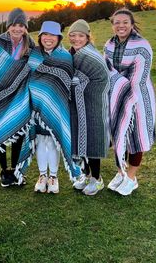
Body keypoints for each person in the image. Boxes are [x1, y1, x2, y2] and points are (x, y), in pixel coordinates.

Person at [16, 21, 80, 193]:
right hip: (35, 107)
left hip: (56, 107)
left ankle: (54, 177)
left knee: (52, 141)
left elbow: (66, 84)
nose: (48, 38)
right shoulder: (34, 54)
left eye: (52, 35)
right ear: (40, 37)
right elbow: (27, 77)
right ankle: (42, 175)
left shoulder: (65, 57)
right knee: (39, 141)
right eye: (45, 35)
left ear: (58, 38)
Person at [104, 8, 156, 196]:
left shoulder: (142, 46)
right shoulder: (109, 45)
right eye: (117, 22)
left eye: (125, 22)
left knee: (136, 137)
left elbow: (139, 76)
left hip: (139, 96)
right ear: (112, 25)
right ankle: (121, 172)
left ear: (132, 24)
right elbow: (107, 69)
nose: (121, 25)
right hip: (117, 96)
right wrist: (116, 85)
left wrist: (118, 83)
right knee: (119, 134)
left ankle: (131, 178)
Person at [0, 8, 35, 187]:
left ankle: (14, 169)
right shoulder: (0, 41)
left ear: (25, 27)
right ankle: (4, 171)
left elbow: (33, 67)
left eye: (21, 25)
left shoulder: (30, 43)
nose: (17, 29)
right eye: (14, 25)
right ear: (9, 26)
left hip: (20, 95)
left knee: (17, 131)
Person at [68, 19, 110, 196]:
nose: (76, 39)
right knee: (80, 137)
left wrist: (75, 82)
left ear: (87, 37)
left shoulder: (88, 55)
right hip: (79, 103)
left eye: (80, 36)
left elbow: (101, 80)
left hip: (92, 102)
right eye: (73, 35)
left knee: (92, 139)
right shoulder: (74, 53)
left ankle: (97, 179)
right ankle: (85, 175)